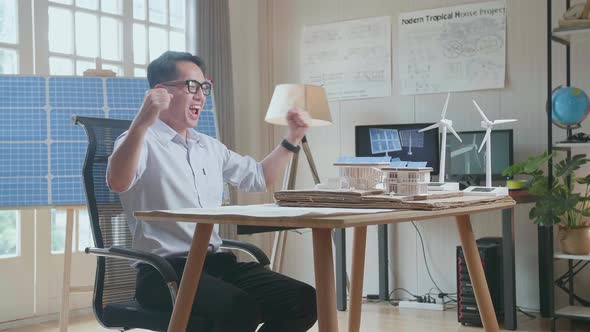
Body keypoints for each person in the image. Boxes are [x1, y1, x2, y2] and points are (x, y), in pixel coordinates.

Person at [107, 51, 317, 332]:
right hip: (164, 272)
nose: (200, 96)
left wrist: (292, 137)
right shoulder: (142, 139)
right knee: (238, 308)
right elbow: (117, 181)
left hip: (217, 265)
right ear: (161, 92)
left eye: (204, 87)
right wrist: (142, 122)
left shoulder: (209, 146)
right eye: (191, 86)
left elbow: (258, 178)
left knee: (304, 300)